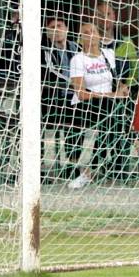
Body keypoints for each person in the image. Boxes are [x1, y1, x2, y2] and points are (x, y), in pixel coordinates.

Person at [66, 22, 129, 189]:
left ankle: (90, 172)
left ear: (99, 35)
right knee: (112, 114)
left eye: (93, 31)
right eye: (85, 32)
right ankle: (138, 145)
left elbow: (116, 81)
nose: (90, 34)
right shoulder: (78, 59)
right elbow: (81, 93)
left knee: (123, 109)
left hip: (109, 104)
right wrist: (109, 95)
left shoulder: (108, 54)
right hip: (84, 105)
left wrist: (123, 89)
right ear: (81, 38)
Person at [93, 0, 139, 163]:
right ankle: (138, 147)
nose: (104, 18)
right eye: (100, 15)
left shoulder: (126, 42)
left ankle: (110, 162)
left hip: (123, 94)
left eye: (107, 14)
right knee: (114, 111)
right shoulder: (89, 40)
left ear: (114, 16)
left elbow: (135, 70)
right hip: (97, 94)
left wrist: (127, 85)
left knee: (128, 108)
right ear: (95, 18)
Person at [42, 16, 78, 171]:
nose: (57, 30)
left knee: (80, 112)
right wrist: (74, 82)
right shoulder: (44, 50)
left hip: (74, 96)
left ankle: (73, 162)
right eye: (52, 27)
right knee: (72, 111)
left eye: (60, 26)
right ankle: (40, 163)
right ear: (47, 32)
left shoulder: (76, 48)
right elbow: (51, 71)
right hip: (53, 99)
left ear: (67, 29)